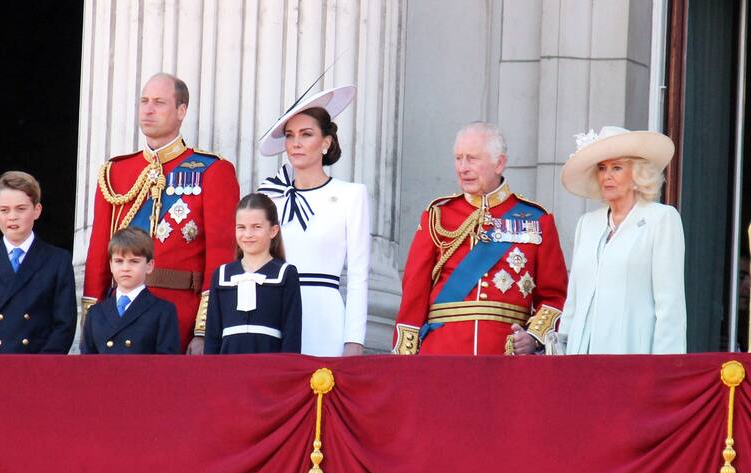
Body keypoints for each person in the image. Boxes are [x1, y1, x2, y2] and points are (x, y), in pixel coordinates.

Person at [82, 73, 239, 354]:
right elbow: (97, 255)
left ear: (181, 111)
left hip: (181, 316)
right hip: (118, 319)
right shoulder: (115, 172)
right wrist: (91, 322)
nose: (148, 109)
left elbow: (220, 257)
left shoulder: (212, 170)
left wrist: (204, 329)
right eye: (144, 101)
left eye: (159, 102)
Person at [393, 122, 568, 356]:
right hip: (441, 354)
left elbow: (555, 295)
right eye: (458, 158)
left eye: (472, 159)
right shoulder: (437, 216)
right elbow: (414, 292)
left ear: (500, 163)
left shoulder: (537, 219)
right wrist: (405, 358)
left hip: (505, 355)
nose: (462, 168)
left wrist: (534, 337)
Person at [258, 85, 369, 357]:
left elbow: (358, 274)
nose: (296, 143)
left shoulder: (351, 195)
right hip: (273, 311)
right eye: (290, 135)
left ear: (326, 142)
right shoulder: (268, 195)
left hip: (325, 317)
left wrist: (354, 339)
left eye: (306, 134)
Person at [557, 126, 686, 354]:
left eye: (616, 168)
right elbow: (574, 301)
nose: (607, 176)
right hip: (579, 356)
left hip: (631, 353)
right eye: (602, 168)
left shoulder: (661, 219)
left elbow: (670, 305)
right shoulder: (587, 224)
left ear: (638, 175)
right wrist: (561, 349)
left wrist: (666, 369)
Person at [0, 171, 76, 353]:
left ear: (37, 210)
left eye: (21, 209)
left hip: (36, 369)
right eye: (4, 210)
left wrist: (41, 368)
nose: (12, 216)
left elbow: (64, 325)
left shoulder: (57, 260)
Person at [204, 193, 302, 354]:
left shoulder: (286, 273)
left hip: (270, 369)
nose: (248, 234)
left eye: (256, 227)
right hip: (228, 369)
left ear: (273, 230)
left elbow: (292, 335)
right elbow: (212, 337)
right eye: (241, 227)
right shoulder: (221, 275)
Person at [80, 227, 179, 354]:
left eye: (134, 261)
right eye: (119, 261)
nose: (125, 268)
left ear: (149, 266)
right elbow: (87, 364)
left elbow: (167, 364)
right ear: (111, 265)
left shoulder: (163, 311)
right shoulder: (95, 313)